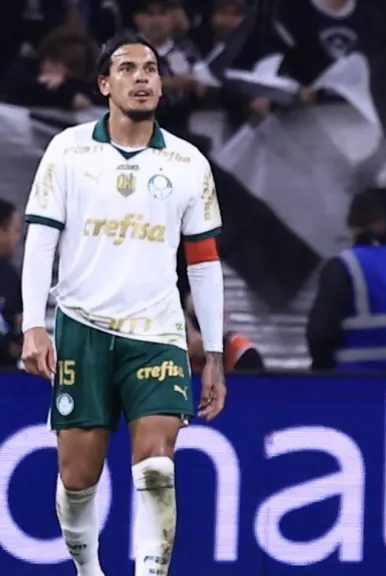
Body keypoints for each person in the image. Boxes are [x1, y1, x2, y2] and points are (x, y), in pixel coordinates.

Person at [19, 30, 226, 576]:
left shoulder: (188, 164)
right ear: (105, 83)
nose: (143, 77)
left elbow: (203, 264)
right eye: (129, 68)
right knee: (77, 477)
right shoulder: (68, 150)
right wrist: (32, 326)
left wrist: (217, 356)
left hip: (156, 333)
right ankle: (89, 571)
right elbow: (41, 240)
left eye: (152, 69)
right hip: (82, 327)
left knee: (157, 466)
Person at [307, 191, 386, 371]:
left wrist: (323, 373)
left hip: (354, 384)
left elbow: (319, 333)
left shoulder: (341, 266)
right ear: (383, 224)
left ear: (349, 224)